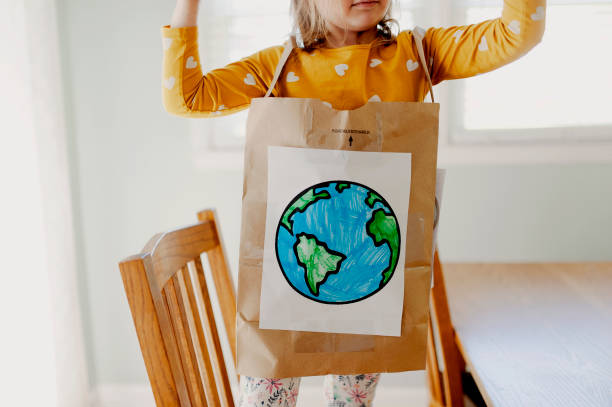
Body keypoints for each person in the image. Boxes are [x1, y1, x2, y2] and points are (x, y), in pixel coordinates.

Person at [161, 0, 546, 405]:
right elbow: (185, 97)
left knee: (352, 399)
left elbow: (518, 33)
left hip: (372, 275)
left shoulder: (417, 54)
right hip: (289, 273)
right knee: (266, 392)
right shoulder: (277, 67)